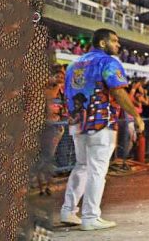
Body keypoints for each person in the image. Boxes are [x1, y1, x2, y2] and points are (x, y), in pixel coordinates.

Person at [60, 29, 144, 231]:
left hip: (78, 122)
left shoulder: (73, 64)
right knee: (97, 170)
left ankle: (68, 211)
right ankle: (90, 216)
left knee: (81, 166)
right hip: (100, 122)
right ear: (103, 43)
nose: (118, 45)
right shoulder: (108, 62)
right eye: (114, 41)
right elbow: (118, 90)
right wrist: (136, 115)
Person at [37, 65, 68, 195]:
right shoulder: (46, 89)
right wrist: (57, 86)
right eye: (58, 76)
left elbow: (65, 108)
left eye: (62, 76)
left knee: (49, 157)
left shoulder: (61, 92)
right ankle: (41, 186)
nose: (60, 78)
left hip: (56, 127)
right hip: (44, 127)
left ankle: (47, 186)